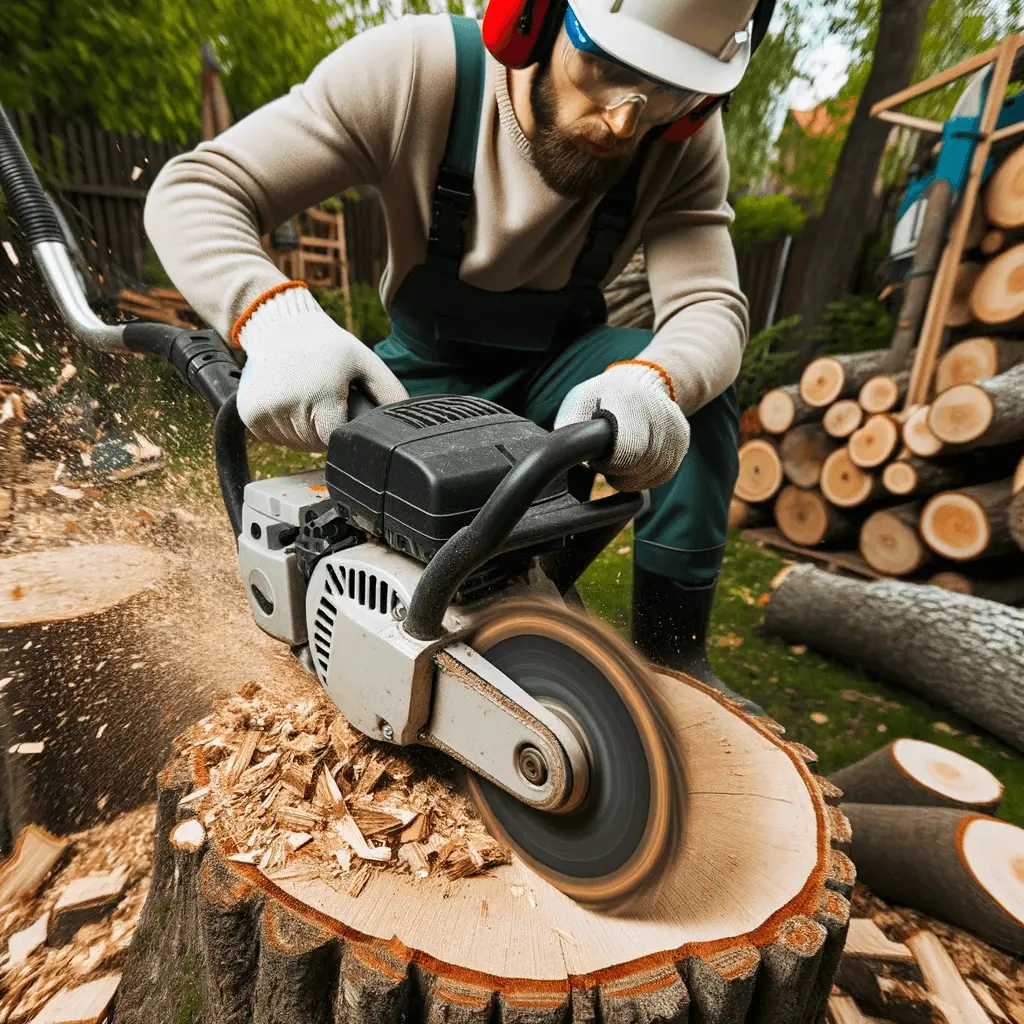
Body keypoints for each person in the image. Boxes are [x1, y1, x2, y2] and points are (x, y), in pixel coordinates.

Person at [144, 0, 774, 713]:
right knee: (367, 518)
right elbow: (198, 190)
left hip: (562, 369)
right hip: (424, 374)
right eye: (605, 67)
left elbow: (710, 306)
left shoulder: (681, 139)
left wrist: (652, 381)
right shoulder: (417, 72)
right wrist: (275, 320)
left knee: (699, 391)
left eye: (668, 90)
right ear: (530, 18)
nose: (628, 120)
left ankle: (673, 651)